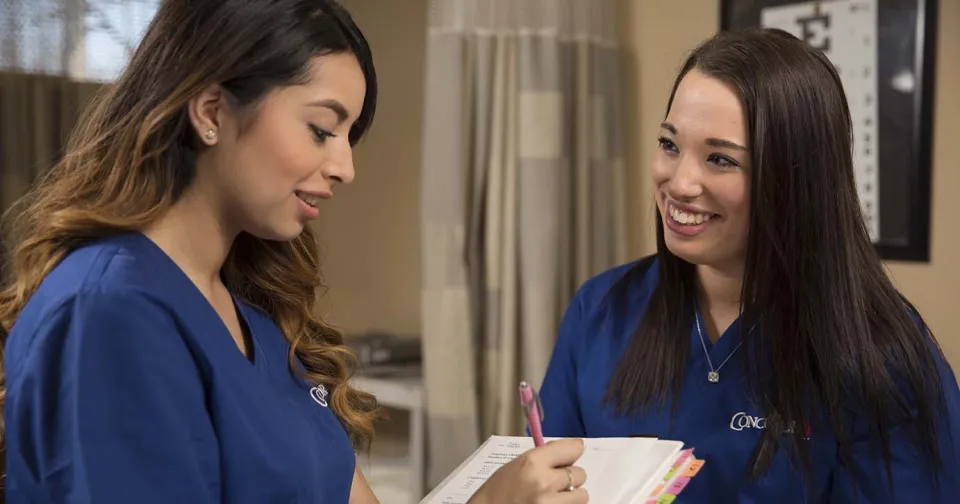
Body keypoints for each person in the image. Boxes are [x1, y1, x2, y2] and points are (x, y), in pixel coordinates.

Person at [0, 1, 588, 503]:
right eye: (322, 130)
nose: (345, 167)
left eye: (349, 137)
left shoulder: (254, 315)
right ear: (211, 112)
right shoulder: (110, 312)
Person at [538, 27, 960, 503]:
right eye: (670, 144)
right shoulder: (600, 310)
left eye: (720, 159)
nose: (679, 183)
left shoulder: (881, 356)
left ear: (795, 179)